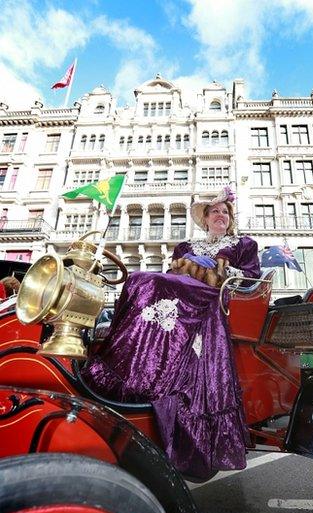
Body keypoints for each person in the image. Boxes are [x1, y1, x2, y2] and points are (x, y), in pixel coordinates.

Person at [83, 187, 260, 479]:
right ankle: (131, 365)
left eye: (224, 212)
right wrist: (189, 265)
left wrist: (223, 270)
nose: (220, 215)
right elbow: (171, 274)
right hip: (182, 293)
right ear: (204, 219)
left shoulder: (243, 243)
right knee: (140, 280)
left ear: (230, 218)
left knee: (147, 281)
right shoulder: (186, 246)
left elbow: (251, 277)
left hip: (213, 297)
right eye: (214, 211)